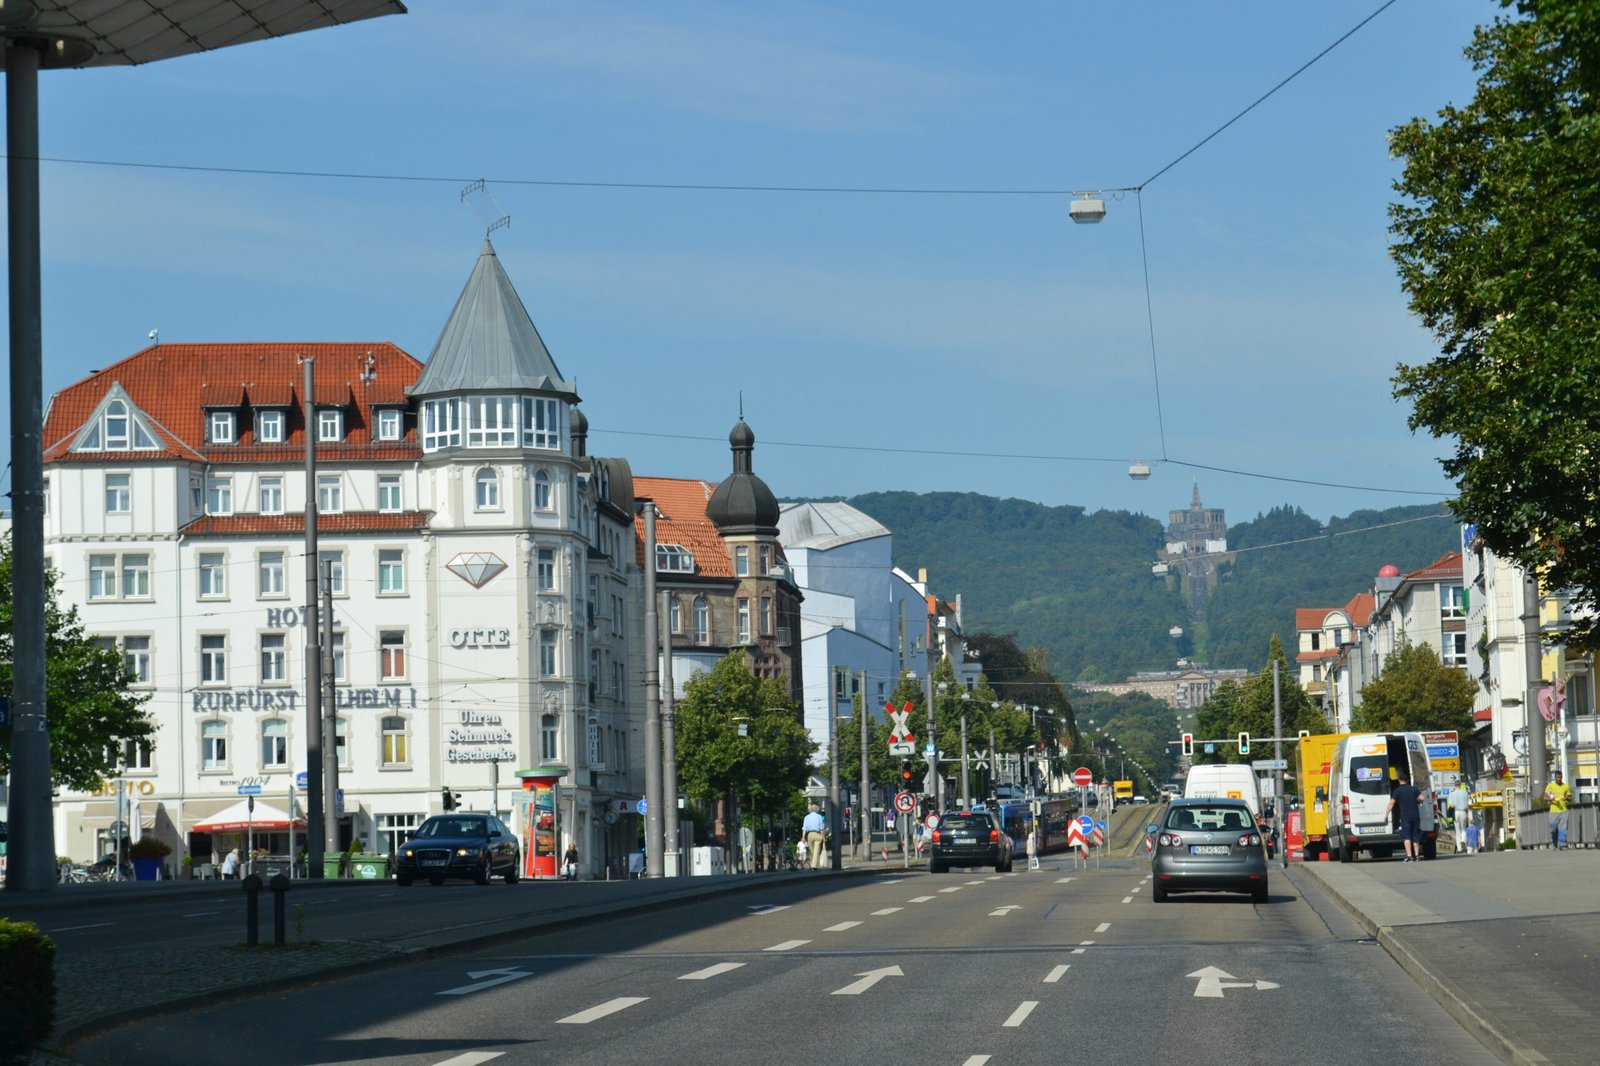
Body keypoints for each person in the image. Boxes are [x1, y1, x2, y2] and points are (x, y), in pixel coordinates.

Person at [1385, 773, 1424, 862]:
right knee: (1416, 836)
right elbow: (1422, 797)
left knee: (1407, 837)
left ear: (1399, 780)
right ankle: (1417, 856)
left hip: (1405, 817)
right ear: (1407, 780)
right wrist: (1418, 800)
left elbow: (1392, 803)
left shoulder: (1397, 791)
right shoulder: (1414, 789)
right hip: (1415, 816)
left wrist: (1386, 815)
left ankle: (1409, 856)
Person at [1544, 771, 1573, 850]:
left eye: (1560, 777)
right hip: (1553, 811)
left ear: (1562, 777)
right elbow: (1545, 797)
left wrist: (1567, 798)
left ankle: (1563, 845)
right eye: (1557, 777)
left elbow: (1570, 798)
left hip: (1563, 810)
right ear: (1555, 778)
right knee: (1553, 829)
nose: (1558, 779)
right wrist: (1551, 798)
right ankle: (1555, 842)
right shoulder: (1550, 786)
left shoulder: (1566, 786)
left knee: (1563, 828)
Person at [1448, 782, 1472, 853]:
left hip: (1456, 812)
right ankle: (1463, 842)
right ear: (1460, 785)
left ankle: (1459, 849)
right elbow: (1468, 805)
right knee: (1463, 830)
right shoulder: (1465, 793)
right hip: (1463, 812)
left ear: (1455, 786)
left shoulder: (1452, 794)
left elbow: (1452, 805)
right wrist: (1468, 814)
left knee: (1457, 831)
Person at [801, 803, 827, 869]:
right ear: (817, 810)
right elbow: (822, 829)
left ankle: (813, 865)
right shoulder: (819, 817)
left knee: (812, 851)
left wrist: (803, 837)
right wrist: (824, 838)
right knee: (816, 851)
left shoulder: (806, 817)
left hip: (809, 835)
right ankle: (814, 865)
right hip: (817, 834)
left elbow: (804, 828)